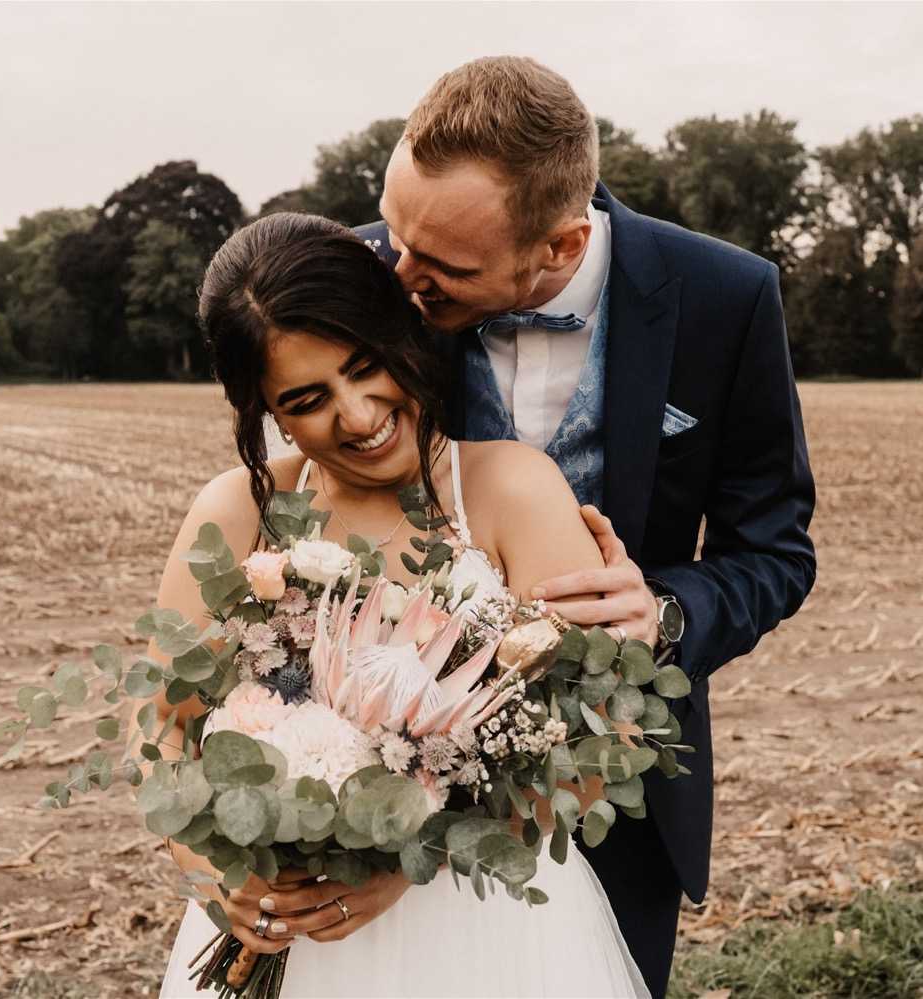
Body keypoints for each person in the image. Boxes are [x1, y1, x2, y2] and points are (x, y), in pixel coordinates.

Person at [351, 57, 818, 998]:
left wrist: (666, 613)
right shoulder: (358, 276)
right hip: (383, 778)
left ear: (560, 246)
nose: (400, 275)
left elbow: (775, 550)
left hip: (618, 802)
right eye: (395, 229)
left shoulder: (727, 298)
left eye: (443, 266)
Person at [153, 212, 650, 997]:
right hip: (292, 939)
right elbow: (162, 737)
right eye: (309, 397)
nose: (356, 414)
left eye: (365, 365)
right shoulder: (236, 514)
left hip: (484, 933)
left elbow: (600, 748)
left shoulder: (511, 490)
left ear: (403, 336)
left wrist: (418, 856)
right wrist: (218, 875)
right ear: (267, 412)